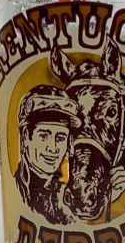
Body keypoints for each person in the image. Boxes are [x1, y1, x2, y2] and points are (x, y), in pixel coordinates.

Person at [15, 86, 81, 225]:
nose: (53, 148)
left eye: (60, 138)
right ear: (26, 137)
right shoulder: (13, 189)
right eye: (43, 136)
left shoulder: (70, 193)